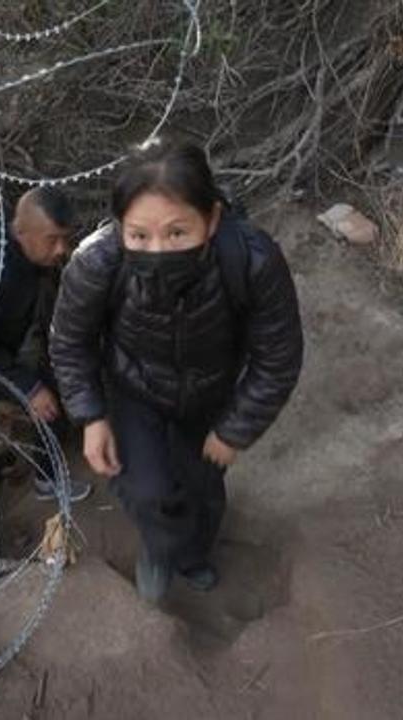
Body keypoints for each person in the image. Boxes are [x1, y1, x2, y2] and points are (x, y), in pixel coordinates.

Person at [50, 139, 304, 602]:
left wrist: (233, 431)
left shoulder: (252, 258)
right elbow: (70, 341)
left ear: (212, 219)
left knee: (204, 487)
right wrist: (91, 416)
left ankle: (193, 555)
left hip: (211, 392)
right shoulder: (98, 262)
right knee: (147, 490)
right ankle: (160, 548)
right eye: (139, 235)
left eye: (177, 233)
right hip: (133, 388)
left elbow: (278, 357)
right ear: (119, 226)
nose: (158, 249)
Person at [0, 187, 92, 501]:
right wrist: (27, 387)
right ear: (22, 230)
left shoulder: (23, 251)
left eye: (64, 239)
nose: (61, 250)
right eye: (52, 239)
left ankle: (38, 478)